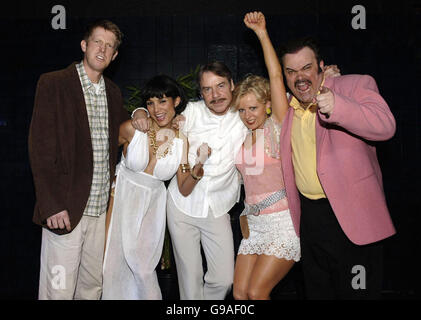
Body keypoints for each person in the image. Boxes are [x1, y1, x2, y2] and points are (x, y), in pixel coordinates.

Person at [278, 35, 396, 299]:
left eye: (307, 67)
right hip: (310, 222)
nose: (300, 77)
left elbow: (385, 126)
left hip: (353, 220)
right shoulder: (286, 106)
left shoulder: (354, 85)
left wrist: (339, 106)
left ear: (321, 66)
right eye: (291, 71)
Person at [28, 20, 128, 299]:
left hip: (98, 211)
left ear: (115, 56)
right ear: (84, 45)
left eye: (110, 46)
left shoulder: (113, 92)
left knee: (91, 288)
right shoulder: (54, 83)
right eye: (98, 42)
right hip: (65, 211)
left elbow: (124, 127)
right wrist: (52, 205)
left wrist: (142, 111)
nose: (103, 49)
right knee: (58, 290)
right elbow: (40, 147)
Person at [132, 61, 248, 300]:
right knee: (189, 279)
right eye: (207, 89)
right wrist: (139, 112)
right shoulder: (191, 112)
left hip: (218, 208)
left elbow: (277, 100)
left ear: (232, 86)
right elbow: (159, 114)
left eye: (220, 86)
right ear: (200, 93)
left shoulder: (245, 113)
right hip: (181, 207)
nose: (215, 95)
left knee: (224, 278)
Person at [102, 75, 210, 299]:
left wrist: (198, 167)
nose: (156, 109)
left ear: (176, 101)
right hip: (121, 199)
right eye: (150, 103)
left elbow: (184, 187)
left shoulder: (181, 140)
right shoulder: (132, 129)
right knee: (109, 268)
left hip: (153, 205)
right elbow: (99, 155)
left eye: (162, 101)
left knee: (143, 271)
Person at [231, 12, 301, 300]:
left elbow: (275, 76)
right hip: (253, 224)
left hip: (282, 223)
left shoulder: (276, 129)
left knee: (258, 292)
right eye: (243, 110)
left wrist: (261, 33)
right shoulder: (243, 136)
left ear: (268, 107)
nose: (248, 115)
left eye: (254, 108)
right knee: (239, 294)